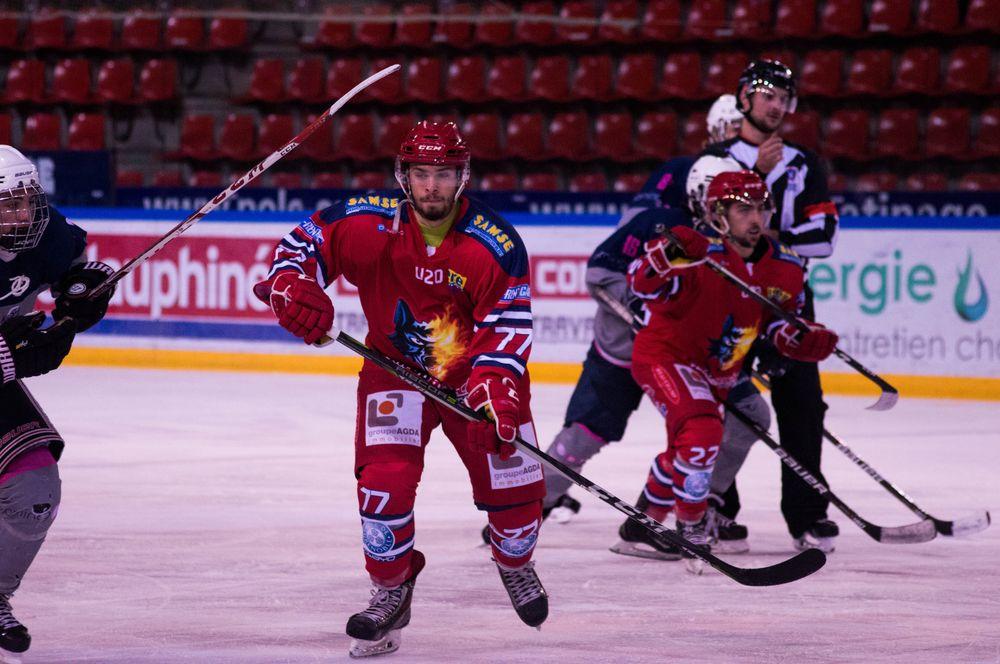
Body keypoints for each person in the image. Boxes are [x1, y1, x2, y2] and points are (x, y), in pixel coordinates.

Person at [253, 122, 548, 658]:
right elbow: (300, 246)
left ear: (462, 177)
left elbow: (508, 327)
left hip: (475, 381)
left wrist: (497, 389)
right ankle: (392, 588)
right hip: (393, 370)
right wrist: (289, 285)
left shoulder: (496, 243)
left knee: (517, 489)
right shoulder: (366, 220)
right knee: (383, 484)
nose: (431, 186)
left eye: (443, 174)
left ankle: (515, 561)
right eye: (421, 174)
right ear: (403, 175)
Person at [498, 98, 747, 546]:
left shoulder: (733, 244)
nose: (721, 207)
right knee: (583, 436)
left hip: (690, 355)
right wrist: (638, 313)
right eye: (715, 198)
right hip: (625, 347)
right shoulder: (658, 223)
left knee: (743, 419)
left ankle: (695, 507)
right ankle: (530, 506)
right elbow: (599, 272)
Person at [620, 170, 838, 574]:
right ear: (719, 214)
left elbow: (777, 324)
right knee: (704, 432)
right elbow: (642, 285)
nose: (755, 218)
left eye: (761, 208)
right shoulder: (695, 250)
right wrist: (666, 255)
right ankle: (692, 530)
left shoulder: (787, 265)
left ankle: (641, 524)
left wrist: (797, 341)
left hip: (718, 372)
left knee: (684, 451)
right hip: (666, 358)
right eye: (743, 209)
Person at [695, 59, 841, 552]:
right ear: (743, 99)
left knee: (802, 403)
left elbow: (823, 239)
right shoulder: (714, 161)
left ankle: (807, 514)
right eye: (767, 95)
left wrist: (763, 232)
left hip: (786, 295)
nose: (777, 105)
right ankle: (716, 508)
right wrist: (756, 175)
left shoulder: (806, 162)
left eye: (784, 97)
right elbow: (700, 228)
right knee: (719, 402)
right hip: (724, 296)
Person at [0, 145, 114, 662]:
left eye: (27, 201)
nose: (22, 215)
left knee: (35, 490)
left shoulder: (44, 233)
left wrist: (80, 294)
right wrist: (9, 351)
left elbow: (72, 267)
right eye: (8, 205)